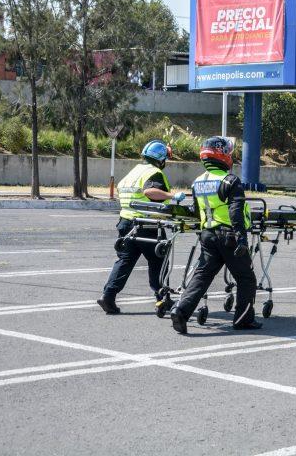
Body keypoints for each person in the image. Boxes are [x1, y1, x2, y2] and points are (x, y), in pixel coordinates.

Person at [169, 137, 261, 334]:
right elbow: (235, 212)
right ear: (222, 155)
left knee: (202, 275)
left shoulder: (198, 182)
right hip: (229, 235)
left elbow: (195, 210)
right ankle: (243, 319)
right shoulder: (230, 180)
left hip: (207, 235)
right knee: (246, 278)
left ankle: (180, 310)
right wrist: (242, 237)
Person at [98, 140, 184, 314]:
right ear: (160, 158)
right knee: (159, 261)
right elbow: (149, 192)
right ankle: (162, 299)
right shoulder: (155, 173)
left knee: (125, 261)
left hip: (126, 223)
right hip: (148, 224)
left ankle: (108, 296)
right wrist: (172, 196)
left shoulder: (135, 171)